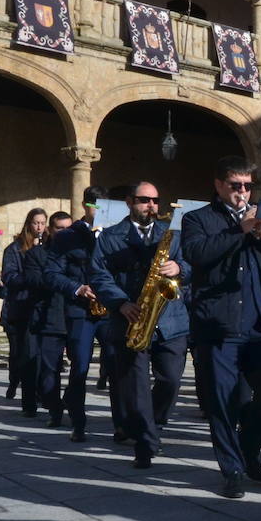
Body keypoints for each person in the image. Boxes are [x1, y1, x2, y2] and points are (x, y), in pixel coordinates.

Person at [181, 157, 261, 498]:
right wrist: (239, 230)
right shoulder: (197, 219)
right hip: (220, 323)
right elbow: (196, 253)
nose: (242, 193)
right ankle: (231, 469)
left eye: (247, 186)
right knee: (222, 400)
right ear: (218, 185)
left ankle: (247, 450)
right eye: (235, 186)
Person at [90, 182, 191, 469]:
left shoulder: (172, 234)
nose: (151, 206)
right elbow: (98, 276)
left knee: (170, 380)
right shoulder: (110, 237)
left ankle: (152, 423)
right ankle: (146, 443)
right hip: (130, 318)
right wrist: (121, 303)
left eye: (155, 201)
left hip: (170, 319)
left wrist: (179, 268)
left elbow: (192, 264)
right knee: (136, 385)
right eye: (144, 200)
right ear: (129, 202)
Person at [42, 186, 111, 442]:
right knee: (80, 366)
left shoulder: (115, 233)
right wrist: (78, 288)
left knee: (117, 365)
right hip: (81, 310)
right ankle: (78, 423)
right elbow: (51, 274)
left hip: (110, 309)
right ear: (85, 206)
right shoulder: (68, 236)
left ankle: (123, 424)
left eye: (105, 207)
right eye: (95, 206)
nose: (100, 212)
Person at [26, 212, 75, 429]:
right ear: (50, 230)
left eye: (68, 228)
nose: (64, 232)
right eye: (59, 228)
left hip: (76, 317)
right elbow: (34, 280)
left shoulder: (80, 254)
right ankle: (54, 409)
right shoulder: (37, 254)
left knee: (80, 366)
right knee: (48, 371)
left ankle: (71, 402)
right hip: (50, 319)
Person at [0, 208, 47, 413]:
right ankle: (28, 400)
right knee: (27, 354)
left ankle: (44, 394)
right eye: (36, 223)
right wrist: (31, 277)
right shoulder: (15, 249)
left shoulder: (49, 247)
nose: (39, 227)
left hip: (44, 307)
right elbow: (9, 277)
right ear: (29, 224)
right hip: (23, 307)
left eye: (43, 223)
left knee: (45, 356)